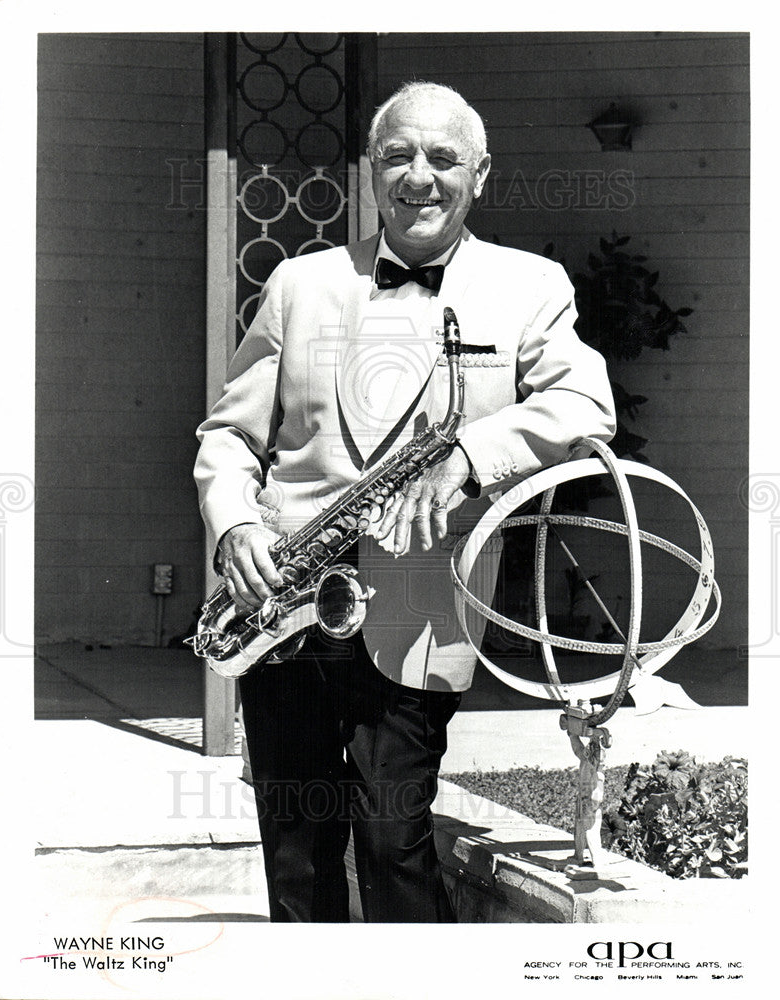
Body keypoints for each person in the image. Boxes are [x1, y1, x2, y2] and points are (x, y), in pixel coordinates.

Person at [194, 81, 616, 922]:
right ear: (371, 173)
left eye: (443, 158)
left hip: (422, 604)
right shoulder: (299, 283)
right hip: (285, 594)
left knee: (394, 836)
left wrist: (467, 456)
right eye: (397, 156)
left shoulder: (529, 285)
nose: (419, 177)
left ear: (482, 174)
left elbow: (586, 407)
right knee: (297, 847)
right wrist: (235, 520)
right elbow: (229, 436)